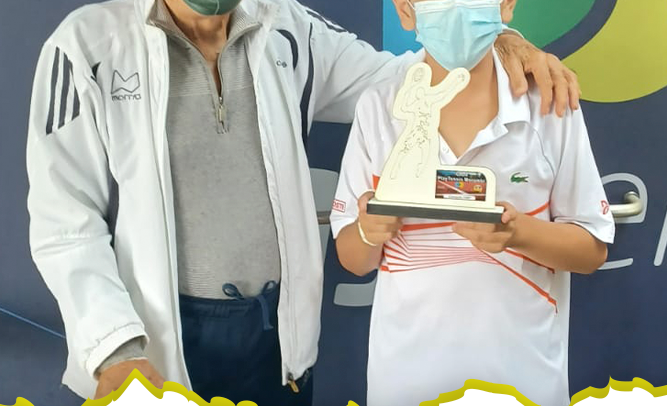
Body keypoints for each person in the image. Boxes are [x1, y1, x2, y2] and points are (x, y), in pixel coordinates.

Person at [26, 0, 580, 403]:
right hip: (158, 341)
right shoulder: (87, 47)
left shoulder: (287, 27)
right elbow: (64, 220)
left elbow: (410, 81)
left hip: (277, 339)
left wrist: (499, 39)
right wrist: (116, 349)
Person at [330, 0, 615, 405]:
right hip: (404, 384)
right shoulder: (378, 108)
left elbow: (591, 250)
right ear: (405, 11)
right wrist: (367, 230)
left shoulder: (548, 106)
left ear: (506, 5)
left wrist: (519, 233)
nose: (454, 7)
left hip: (523, 383)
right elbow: (353, 258)